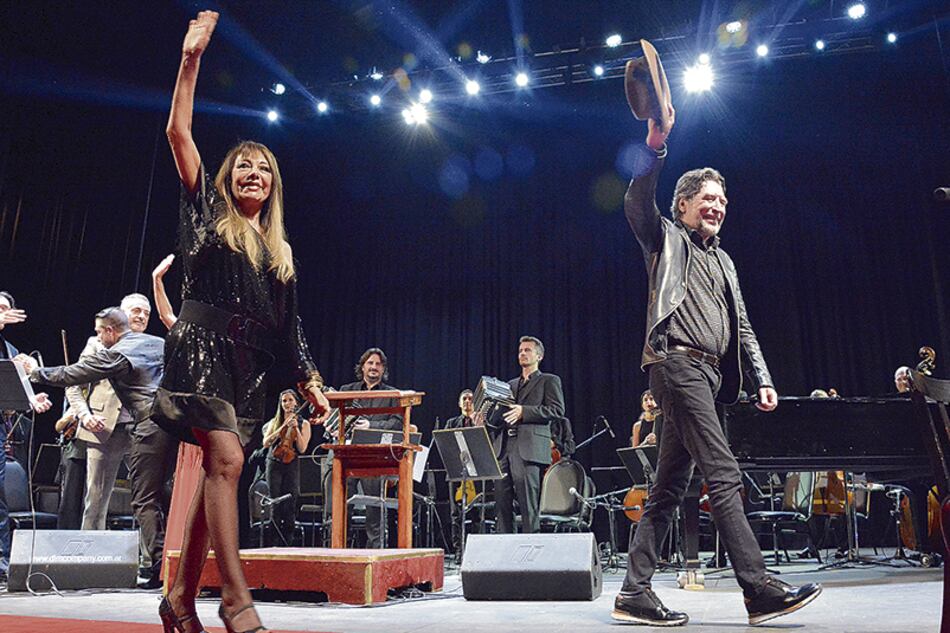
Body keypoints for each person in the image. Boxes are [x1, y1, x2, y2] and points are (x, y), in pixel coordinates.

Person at [152, 11, 329, 633]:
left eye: (264, 169)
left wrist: (308, 378)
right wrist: (191, 60)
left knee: (220, 475)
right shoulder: (206, 214)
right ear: (227, 178)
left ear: (273, 185)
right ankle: (234, 599)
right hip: (199, 349)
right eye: (243, 167)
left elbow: (290, 324)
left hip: (248, 369)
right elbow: (179, 132)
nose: (253, 174)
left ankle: (178, 598)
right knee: (225, 462)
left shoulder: (279, 252)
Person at [612, 103, 821, 627]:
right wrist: (656, 145)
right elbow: (637, 199)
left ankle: (633, 593)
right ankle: (759, 589)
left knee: (666, 491)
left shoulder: (725, 260)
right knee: (723, 473)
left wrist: (763, 377)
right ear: (683, 205)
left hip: (707, 374)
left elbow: (743, 325)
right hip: (675, 364)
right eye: (708, 198)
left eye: (722, 200)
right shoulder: (665, 239)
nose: (718, 206)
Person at [485, 336, 564, 534]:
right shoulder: (509, 385)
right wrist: (484, 419)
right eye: (520, 350)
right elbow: (499, 417)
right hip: (504, 448)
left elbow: (556, 410)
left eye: (527, 350)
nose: (522, 353)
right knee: (502, 503)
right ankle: (505, 549)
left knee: (528, 504)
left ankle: (532, 549)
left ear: (540, 356)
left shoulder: (549, 380)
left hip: (528, 448)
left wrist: (524, 411)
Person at [0, 291, 52, 582]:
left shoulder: (9, 350)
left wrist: (31, 400)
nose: (2, 312)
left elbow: (13, 392)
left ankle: (2, 559)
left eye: (6, 308)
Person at [339, 348, 402, 548]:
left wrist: (371, 426)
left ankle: (375, 556)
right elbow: (334, 416)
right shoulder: (347, 390)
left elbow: (397, 423)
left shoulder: (392, 394)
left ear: (383, 369)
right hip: (346, 455)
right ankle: (340, 552)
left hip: (374, 457)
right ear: (362, 366)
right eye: (370, 363)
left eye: (378, 364)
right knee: (340, 508)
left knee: (374, 511)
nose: (374, 367)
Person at [260, 390, 310, 545]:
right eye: (284, 401)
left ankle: (287, 543)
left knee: (290, 503)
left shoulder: (304, 423)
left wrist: (295, 429)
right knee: (275, 503)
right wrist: (281, 427)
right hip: (274, 462)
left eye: (290, 400)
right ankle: (273, 542)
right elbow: (266, 442)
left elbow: (302, 448)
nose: (287, 404)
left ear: (297, 403)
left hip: (292, 463)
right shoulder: (274, 421)